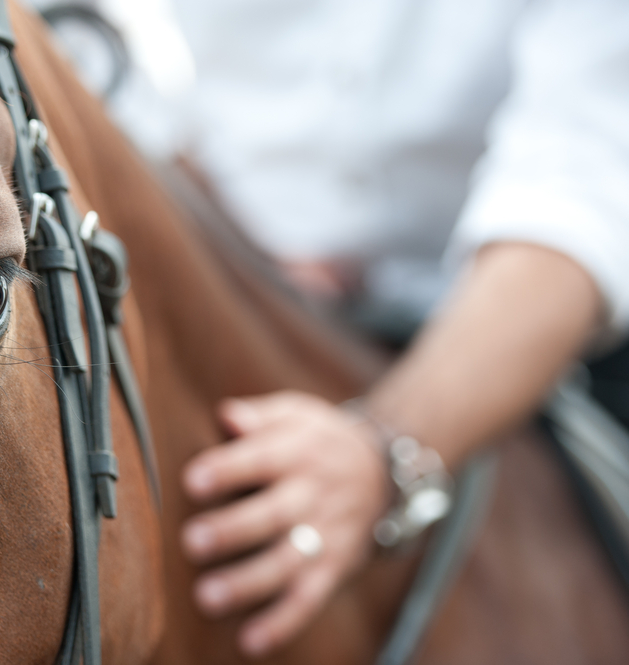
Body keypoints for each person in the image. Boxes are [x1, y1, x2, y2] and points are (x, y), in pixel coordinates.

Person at [147, 0, 629, 658]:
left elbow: (580, 193)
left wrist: (384, 453)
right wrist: (219, 234)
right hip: (234, 275)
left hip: (510, 321)